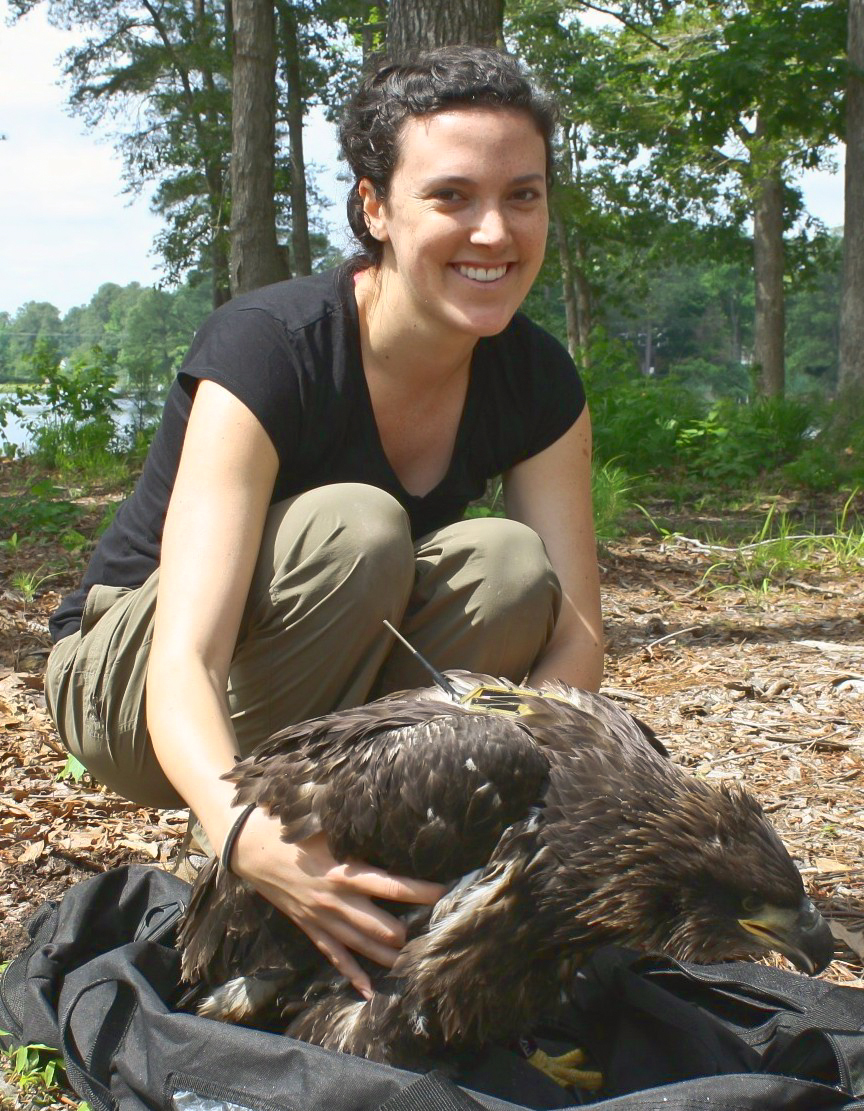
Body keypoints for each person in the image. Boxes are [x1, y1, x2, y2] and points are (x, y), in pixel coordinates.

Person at [44, 45, 603, 1000]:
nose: (494, 230)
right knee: (356, 527)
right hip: (131, 679)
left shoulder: (538, 377)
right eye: (452, 196)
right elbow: (186, 659)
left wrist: (503, 797)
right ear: (375, 208)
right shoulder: (271, 349)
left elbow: (578, 637)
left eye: (523, 195)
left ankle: (365, 846)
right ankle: (253, 861)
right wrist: (245, 837)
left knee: (510, 569)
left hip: (305, 686)